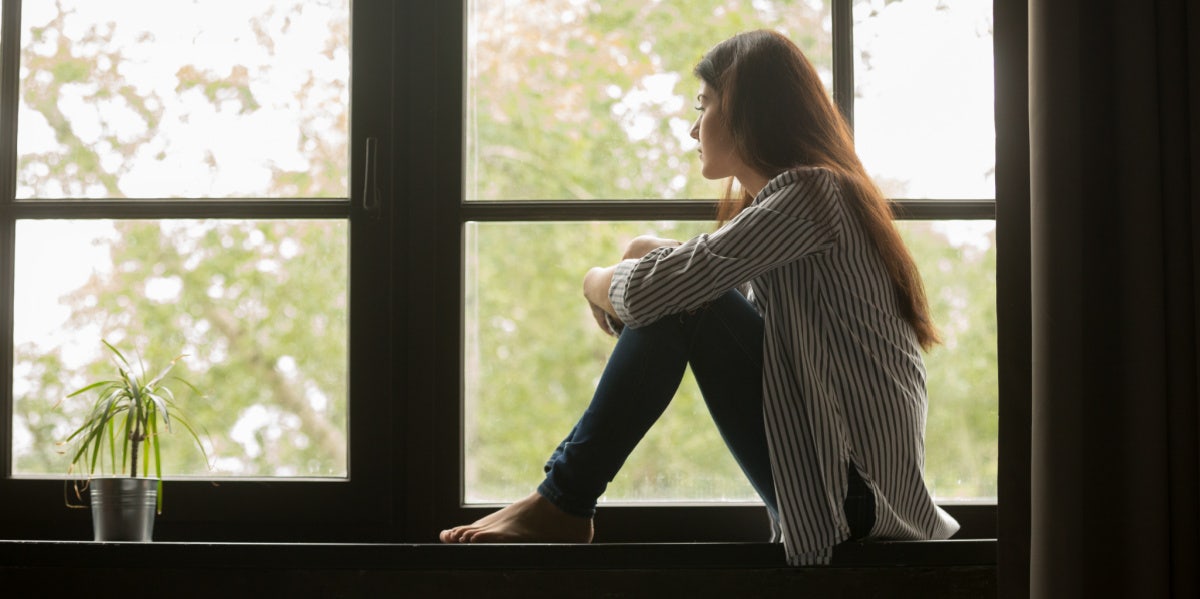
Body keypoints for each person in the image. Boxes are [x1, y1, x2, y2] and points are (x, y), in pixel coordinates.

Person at [440, 29, 960, 565]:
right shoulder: (811, 204)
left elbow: (660, 294)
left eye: (703, 105)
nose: (693, 127)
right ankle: (561, 501)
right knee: (680, 291)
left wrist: (596, 279)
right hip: (846, 496)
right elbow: (701, 290)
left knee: (683, 298)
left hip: (855, 503)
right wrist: (644, 253)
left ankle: (564, 502)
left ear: (746, 109)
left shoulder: (813, 194)